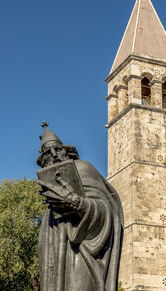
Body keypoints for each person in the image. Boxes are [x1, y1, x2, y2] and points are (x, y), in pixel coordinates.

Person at [37, 123, 123, 291]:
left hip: (82, 251)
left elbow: (106, 208)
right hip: (56, 257)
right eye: (48, 153)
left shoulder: (83, 168)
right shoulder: (50, 197)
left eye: (57, 149)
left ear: (66, 150)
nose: (54, 155)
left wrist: (78, 204)